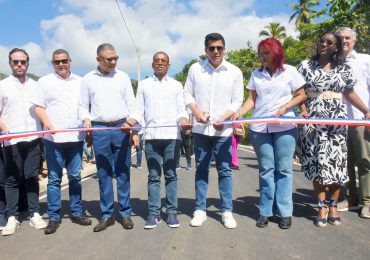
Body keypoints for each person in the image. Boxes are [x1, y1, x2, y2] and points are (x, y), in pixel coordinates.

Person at [298, 31, 370, 227]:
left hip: (337, 122)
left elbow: (350, 92)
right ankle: (321, 206)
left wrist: (366, 110)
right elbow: (297, 92)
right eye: (321, 41)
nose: (323, 44)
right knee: (318, 164)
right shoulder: (305, 65)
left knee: (337, 165)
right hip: (313, 123)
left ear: (336, 47)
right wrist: (303, 109)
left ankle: (333, 205)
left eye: (328, 42)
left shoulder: (344, 68)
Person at [233, 38, 306, 229]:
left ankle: (284, 212)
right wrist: (240, 113)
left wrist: (286, 107)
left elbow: (301, 94)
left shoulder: (289, 71)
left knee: (284, 169)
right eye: (260, 53)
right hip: (260, 128)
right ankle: (265, 211)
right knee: (266, 170)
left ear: (276, 52)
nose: (262, 56)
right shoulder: (256, 74)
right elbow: (251, 100)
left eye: (266, 52)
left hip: (285, 126)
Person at [184, 32, 244, 229]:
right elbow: (188, 95)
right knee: (201, 169)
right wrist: (198, 113)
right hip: (201, 129)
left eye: (219, 48)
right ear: (206, 50)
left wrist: (224, 118)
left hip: (223, 132)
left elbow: (237, 101)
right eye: (211, 48)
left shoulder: (234, 71)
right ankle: (200, 209)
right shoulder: (196, 69)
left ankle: (227, 211)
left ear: (224, 49)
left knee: (224, 170)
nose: (215, 51)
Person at [31, 49, 92, 235]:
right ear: (52, 63)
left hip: (75, 139)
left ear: (70, 61)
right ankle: (54, 217)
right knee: (54, 179)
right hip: (53, 140)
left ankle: (76, 212)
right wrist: (47, 123)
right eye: (57, 62)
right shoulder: (44, 82)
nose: (61, 65)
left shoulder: (81, 82)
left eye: (64, 61)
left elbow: (85, 107)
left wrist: (87, 123)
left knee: (74, 177)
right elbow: (38, 107)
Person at [78, 43, 137, 232]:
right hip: (99, 130)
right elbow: (82, 105)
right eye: (109, 59)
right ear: (98, 59)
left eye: (115, 58)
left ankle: (125, 213)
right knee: (103, 173)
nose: (113, 62)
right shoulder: (87, 79)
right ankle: (107, 215)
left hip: (121, 128)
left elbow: (132, 105)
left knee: (122, 172)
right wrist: (86, 119)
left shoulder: (123, 77)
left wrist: (132, 128)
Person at [130, 51, 188, 229]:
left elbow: (181, 110)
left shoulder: (177, 85)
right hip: (152, 138)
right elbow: (138, 110)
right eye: (157, 61)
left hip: (172, 138)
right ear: (153, 65)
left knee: (171, 175)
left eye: (163, 61)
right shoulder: (144, 85)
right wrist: (131, 126)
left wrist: (184, 121)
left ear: (168, 65)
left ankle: (172, 212)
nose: (160, 63)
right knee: (154, 176)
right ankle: (154, 214)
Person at [0, 48, 47, 236]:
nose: (19, 65)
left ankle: (35, 213)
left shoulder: (36, 85)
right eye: (15, 62)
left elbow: (43, 109)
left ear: (28, 64)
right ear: (9, 63)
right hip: (11, 140)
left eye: (23, 62)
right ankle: (12, 217)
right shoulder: (2, 85)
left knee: (31, 176)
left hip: (33, 139)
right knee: (11, 179)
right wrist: (3, 128)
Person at [335, 27, 370, 218]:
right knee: (344, 161)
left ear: (354, 41)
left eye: (347, 38)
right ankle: (350, 197)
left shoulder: (365, 60)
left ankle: (367, 201)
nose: (344, 41)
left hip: (360, 118)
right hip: (339, 121)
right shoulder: (333, 62)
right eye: (340, 38)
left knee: (365, 160)